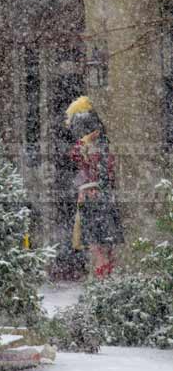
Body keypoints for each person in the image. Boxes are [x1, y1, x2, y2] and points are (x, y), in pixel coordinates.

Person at [65, 96, 124, 278]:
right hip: (97, 196)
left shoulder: (97, 146)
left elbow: (103, 168)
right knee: (101, 247)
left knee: (101, 247)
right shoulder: (91, 145)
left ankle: (104, 283)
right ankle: (105, 282)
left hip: (96, 197)